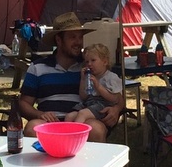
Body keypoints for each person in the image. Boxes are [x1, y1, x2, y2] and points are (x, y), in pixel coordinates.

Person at [18, 12, 123, 141]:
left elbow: (117, 96)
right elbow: (24, 103)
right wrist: (39, 114)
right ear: (58, 40)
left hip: (83, 119)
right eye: (72, 37)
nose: (78, 42)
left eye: (80, 37)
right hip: (50, 122)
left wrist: (116, 109)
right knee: (32, 128)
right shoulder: (38, 67)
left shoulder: (90, 66)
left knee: (96, 129)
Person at [65, 43, 122, 129]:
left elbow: (114, 99)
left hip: (103, 105)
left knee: (82, 114)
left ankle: (76, 134)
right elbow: (83, 97)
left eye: (93, 60)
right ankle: (65, 134)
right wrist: (83, 80)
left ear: (105, 62)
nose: (89, 64)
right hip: (89, 104)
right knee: (69, 116)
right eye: (87, 61)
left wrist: (98, 87)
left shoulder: (110, 77)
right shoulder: (89, 77)